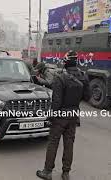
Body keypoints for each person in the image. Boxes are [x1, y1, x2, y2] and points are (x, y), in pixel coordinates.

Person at [36, 50, 86, 180]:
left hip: (60, 117)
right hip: (74, 115)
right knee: (69, 144)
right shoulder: (83, 77)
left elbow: (56, 102)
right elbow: (87, 96)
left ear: (65, 63)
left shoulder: (60, 78)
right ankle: (66, 173)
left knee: (53, 143)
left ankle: (47, 171)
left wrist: (51, 117)